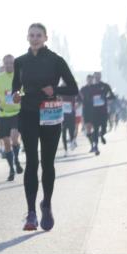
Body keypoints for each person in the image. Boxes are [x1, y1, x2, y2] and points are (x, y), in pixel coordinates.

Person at [11, 23, 78, 231]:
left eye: (39, 35)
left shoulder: (56, 60)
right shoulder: (20, 62)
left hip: (50, 114)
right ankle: (31, 213)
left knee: (47, 163)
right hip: (28, 114)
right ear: (27, 37)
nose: (35, 38)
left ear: (45, 37)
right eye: (31, 35)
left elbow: (73, 88)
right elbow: (17, 88)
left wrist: (55, 89)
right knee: (32, 161)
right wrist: (16, 96)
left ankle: (46, 205)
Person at [0, 54, 22, 181]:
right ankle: (12, 168)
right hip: (2, 114)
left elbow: (24, 92)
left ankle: (17, 160)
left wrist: (20, 96)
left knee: (14, 138)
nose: (9, 65)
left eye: (11, 63)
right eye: (6, 63)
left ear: (15, 64)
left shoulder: (19, 77)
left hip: (16, 113)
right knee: (7, 144)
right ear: (3, 64)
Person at [90, 71, 116, 143]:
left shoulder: (105, 86)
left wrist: (105, 98)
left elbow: (113, 97)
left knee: (104, 128)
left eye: (98, 76)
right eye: (96, 76)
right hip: (94, 111)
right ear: (94, 77)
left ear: (100, 76)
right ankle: (96, 147)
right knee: (95, 128)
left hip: (103, 111)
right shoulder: (91, 87)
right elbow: (86, 99)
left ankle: (102, 135)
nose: (97, 78)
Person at [79, 74, 99, 155]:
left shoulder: (96, 88)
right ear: (86, 80)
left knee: (95, 129)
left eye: (91, 79)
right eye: (89, 79)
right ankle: (92, 146)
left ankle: (96, 146)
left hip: (95, 111)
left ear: (93, 80)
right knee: (88, 130)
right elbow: (79, 99)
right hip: (86, 110)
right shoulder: (83, 89)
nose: (90, 81)